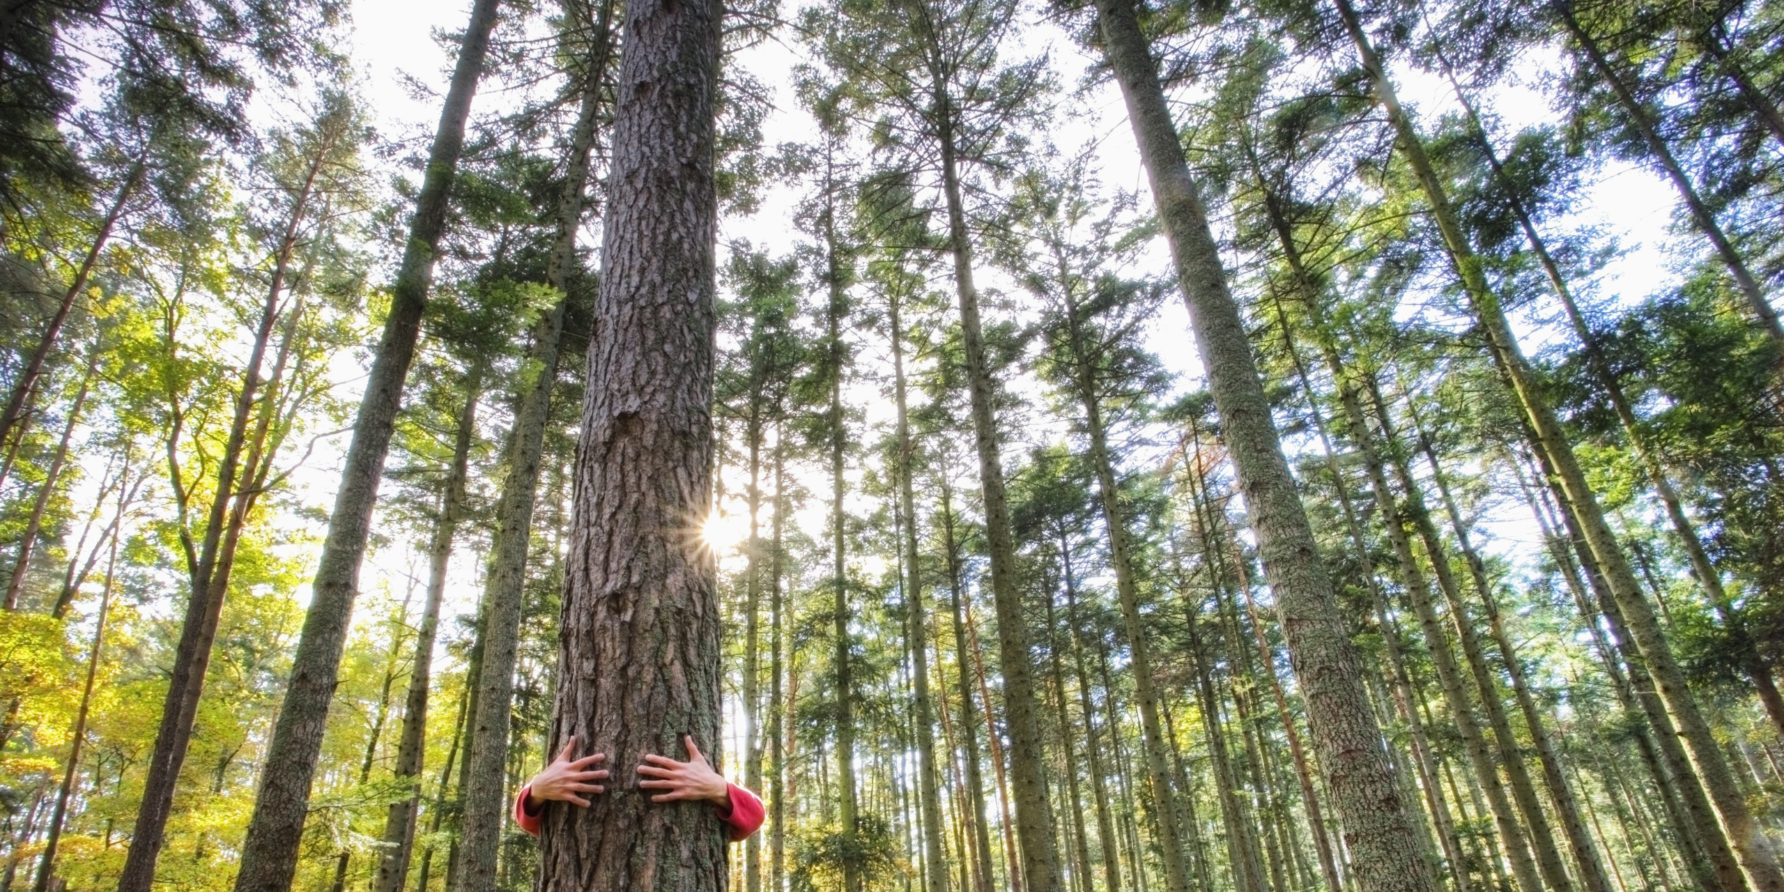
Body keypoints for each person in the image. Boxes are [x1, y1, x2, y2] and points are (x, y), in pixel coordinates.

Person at [513, 734, 765, 842]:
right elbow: (530, 821)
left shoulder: (707, 791)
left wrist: (719, 788)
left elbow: (754, 817)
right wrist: (537, 790)